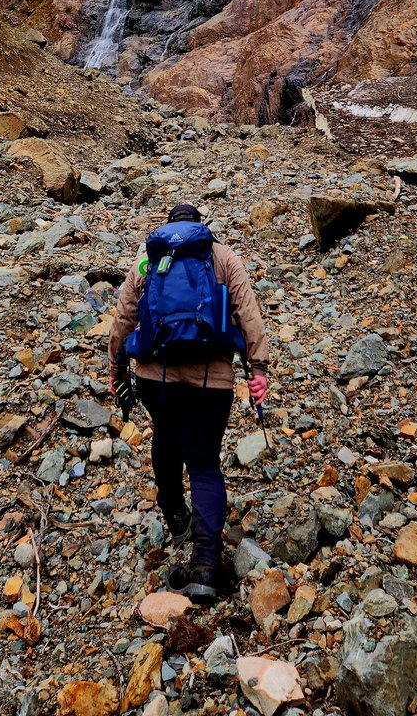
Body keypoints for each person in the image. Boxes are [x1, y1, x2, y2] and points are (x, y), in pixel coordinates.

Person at [109, 202, 269, 603]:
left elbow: (124, 315)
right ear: (202, 227)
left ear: (168, 228)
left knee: (164, 436)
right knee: (203, 463)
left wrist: (116, 366)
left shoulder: (149, 259)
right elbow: (248, 313)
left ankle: (175, 516)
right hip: (210, 381)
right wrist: (258, 368)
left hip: (154, 377)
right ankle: (204, 564)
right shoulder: (223, 256)